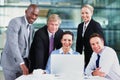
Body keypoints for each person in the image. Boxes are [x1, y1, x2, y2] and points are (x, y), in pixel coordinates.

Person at [0, 4, 40, 80]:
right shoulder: (15, 22)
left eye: (36, 15)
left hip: (24, 64)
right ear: (26, 11)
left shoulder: (32, 27)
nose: (34, 17)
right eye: (32, 13)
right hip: (11, 64)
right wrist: (22, 64)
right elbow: (13, 44)